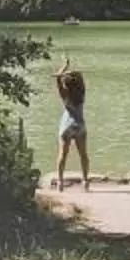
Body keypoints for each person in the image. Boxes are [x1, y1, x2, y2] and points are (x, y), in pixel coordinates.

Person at [52, 61, 90, 189]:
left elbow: (58, 77)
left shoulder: (64, 95)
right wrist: (71, 71)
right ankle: (85, 181)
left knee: (62, 155)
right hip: (79, 125)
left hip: (67, 125)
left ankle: (60, 182)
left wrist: (64, 66)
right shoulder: (81, 94)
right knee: (83, 155)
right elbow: (80, 76)